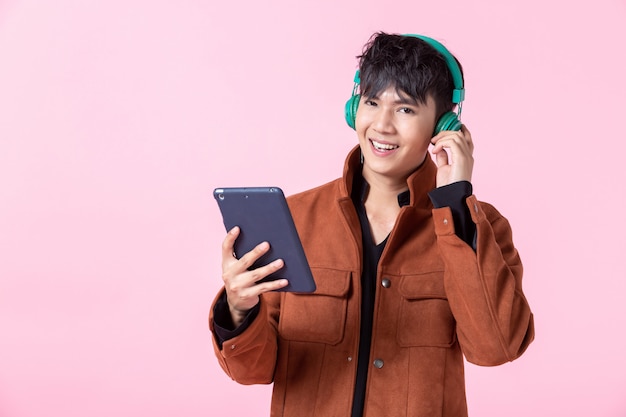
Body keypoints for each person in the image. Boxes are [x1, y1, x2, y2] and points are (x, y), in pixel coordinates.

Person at [209, 32, 534, 417]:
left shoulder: (480, 226)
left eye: (406, 110)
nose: (382, 125)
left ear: (444, 124)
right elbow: (253, 371)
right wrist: (238, 309)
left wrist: (455, 203)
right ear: (353, 108)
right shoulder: (294, 219)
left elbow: (496, 347)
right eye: (372, 102)